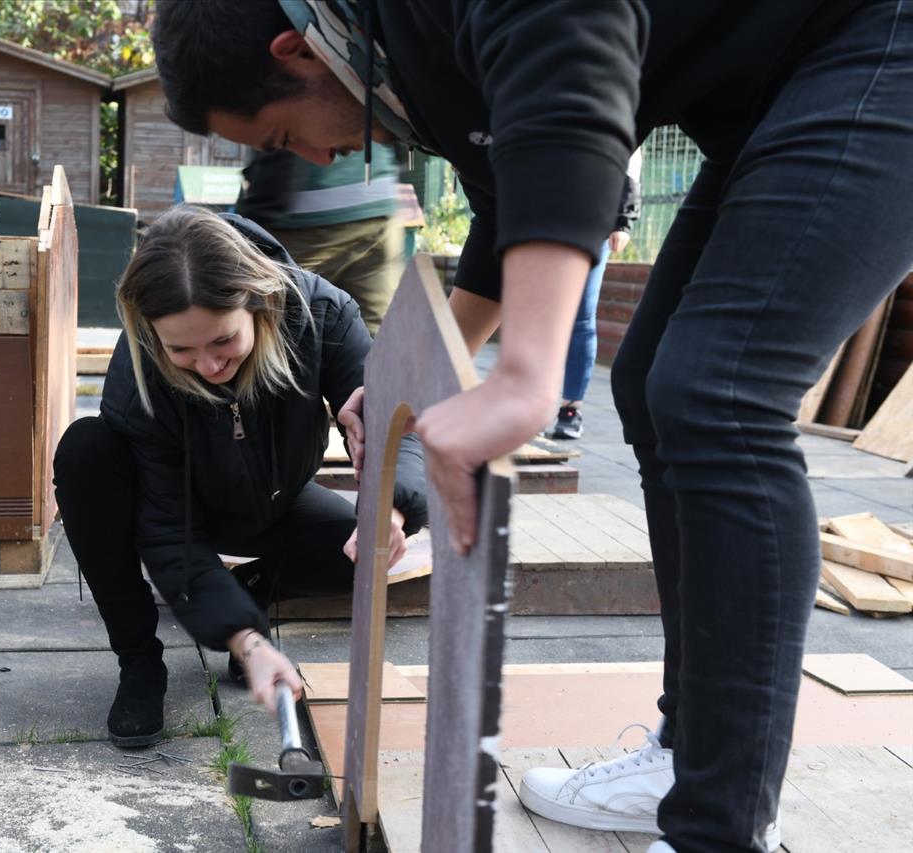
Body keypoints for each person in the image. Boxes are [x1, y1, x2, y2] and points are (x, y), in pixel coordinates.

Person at [150, 2, 913, 851]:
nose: (318, 158)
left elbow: (572, 57)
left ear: (295, 52)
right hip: (776, 93)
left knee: (718, 395)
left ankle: (718, 829)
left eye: (286, 136)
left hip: (877, 39)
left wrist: (526, 374)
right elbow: (508, 208)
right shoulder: (406, 72)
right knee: (656, 380)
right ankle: (695, 753)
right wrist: (405, 382)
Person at [53, 206, 426, 745]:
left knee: (359, 560)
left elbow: (397, 421)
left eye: (222, 341)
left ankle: (251, 587)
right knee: (84, 451)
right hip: (172, 507)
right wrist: (246, 640)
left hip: (276, 501)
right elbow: (169, 535)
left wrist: (386, 507)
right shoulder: (140, 373)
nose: (206, 366)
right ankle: (139, 661)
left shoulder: (320, 312)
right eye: (181, 349)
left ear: (258, 302)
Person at [237, 146, 403, 334]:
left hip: (304, 212)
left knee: (276, 330)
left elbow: (278, 133)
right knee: (376, 335)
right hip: (380, 197)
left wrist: (253, 224)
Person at [549, 150, 642, 440]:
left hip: (593, 217)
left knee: (581, 314)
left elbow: (631, 149)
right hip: (543, 211)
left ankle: (571, 407)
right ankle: (522, 399)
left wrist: (622, 217)